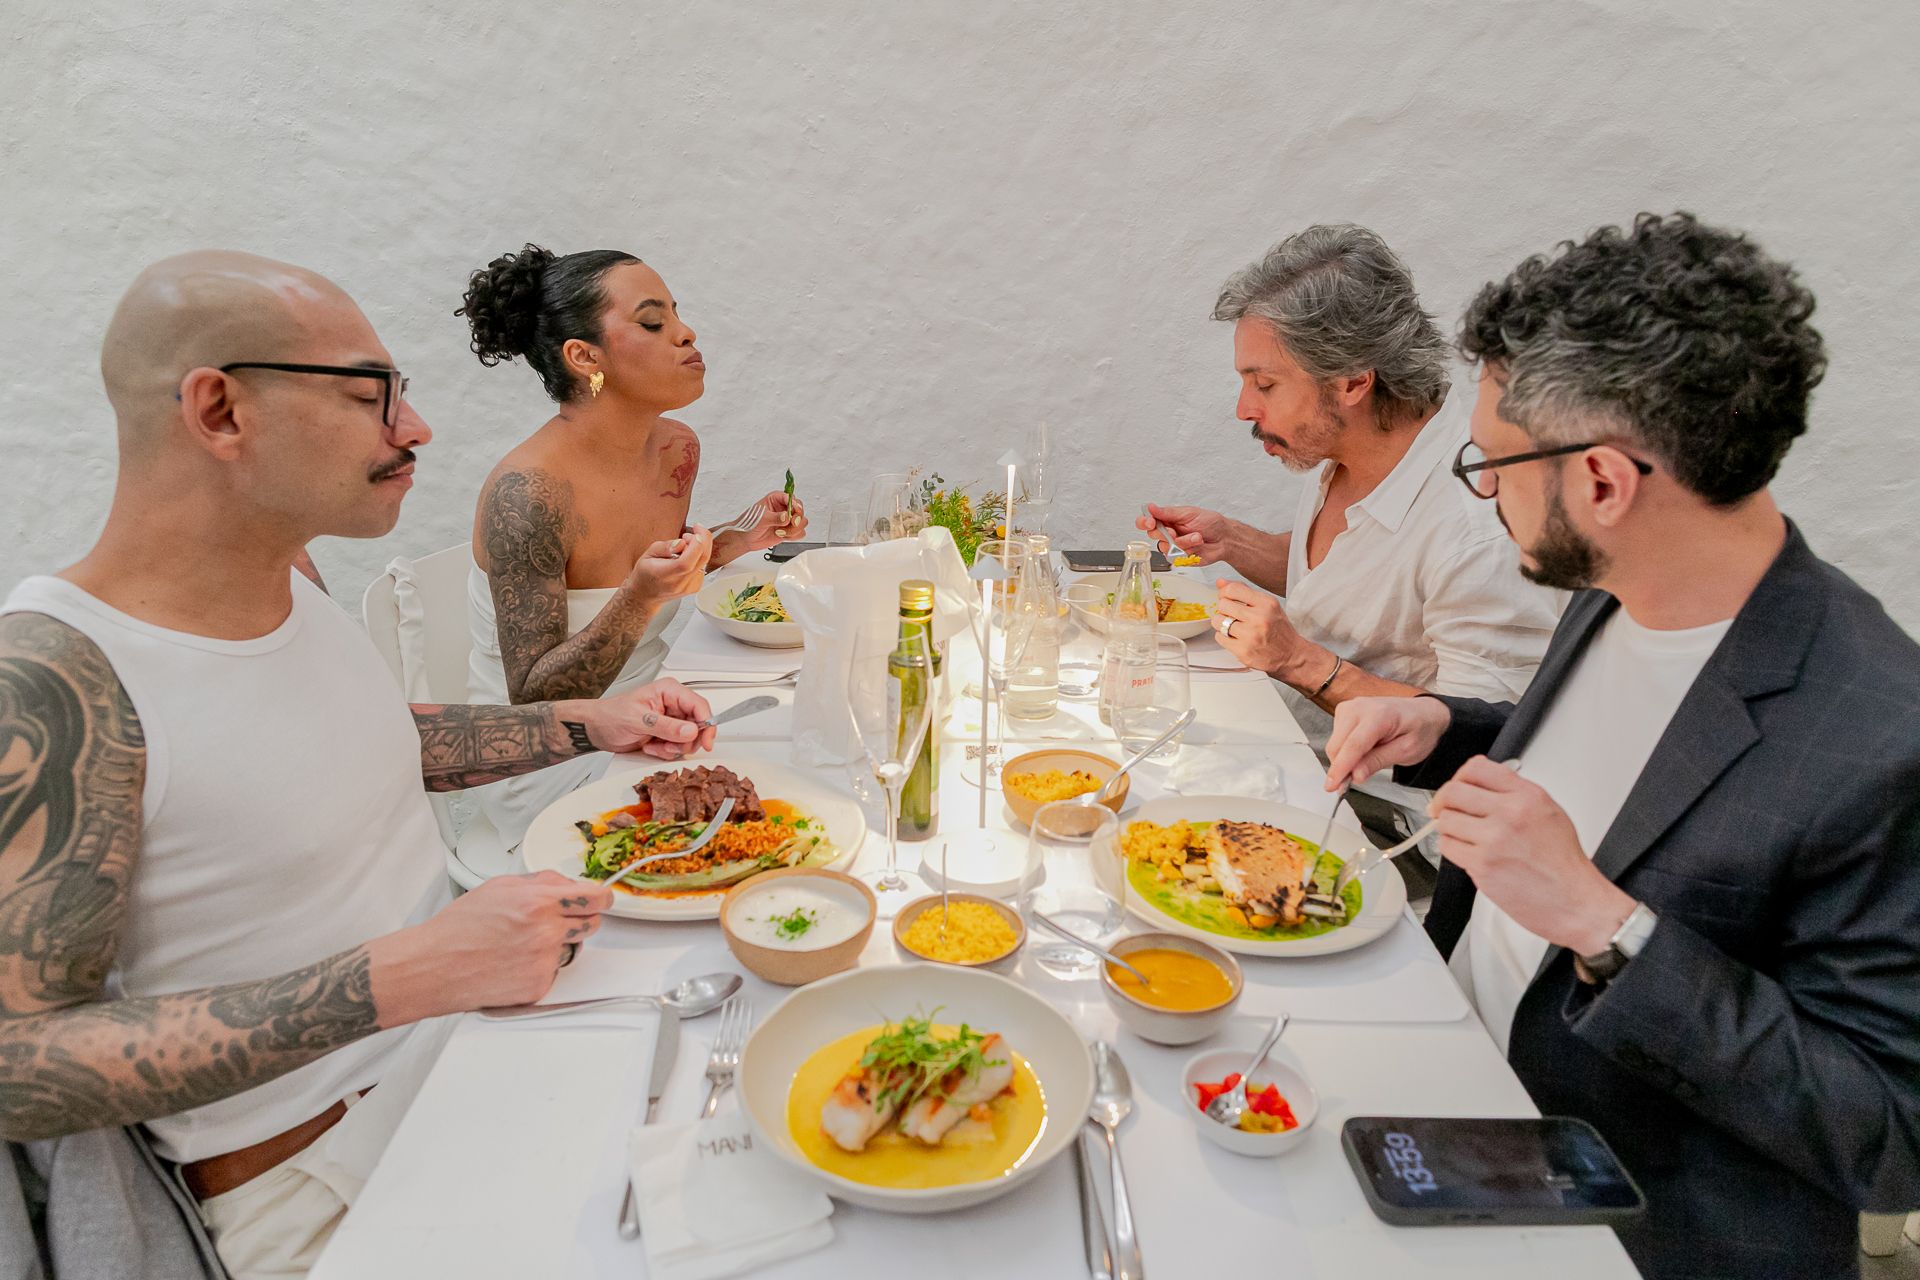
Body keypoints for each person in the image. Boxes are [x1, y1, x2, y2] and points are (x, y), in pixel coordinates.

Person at [0, 251, 720, 1278]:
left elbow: (368, 738)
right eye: (368, 394)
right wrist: (411, 971)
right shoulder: (55, 674)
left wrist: (586, 722)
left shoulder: (289, 575)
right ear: (219, 411)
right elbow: (20, 1064)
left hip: (478, 1047)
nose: (414, 428)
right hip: (326, 1180)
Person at [1324, 214, 1920, 1279]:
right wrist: (1442, 726)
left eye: (1491, 463)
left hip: (1617, 1220)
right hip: (1449, 1090)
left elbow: (1888, 1131)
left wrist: (1607, 926)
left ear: (1602, 482)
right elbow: (1620, 769)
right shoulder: (1616, 581)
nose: (1484, 491)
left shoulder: (1881, 733)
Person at [1139, 225, 1561, 857]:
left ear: (1352, 383)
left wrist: (1298, 661)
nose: (1244, 408)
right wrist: (1233, 541)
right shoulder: (1353, 448)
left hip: (1377, 826)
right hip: (1289, 749)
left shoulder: (1476, 529)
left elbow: (1483, 740)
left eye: (1265, 384)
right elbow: (1342, 577)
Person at [458, 244, 806, 845]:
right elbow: (535, 698)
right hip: (550, 755)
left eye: (677, 314)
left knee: (804, 744)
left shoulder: (676, 448)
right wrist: (640, 598)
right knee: (778, 794)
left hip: (657, 701)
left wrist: (736, 541)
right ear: (584, 356)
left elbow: (642, 568)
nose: (686, 333)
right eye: (652, 323)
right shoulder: (529, 494)